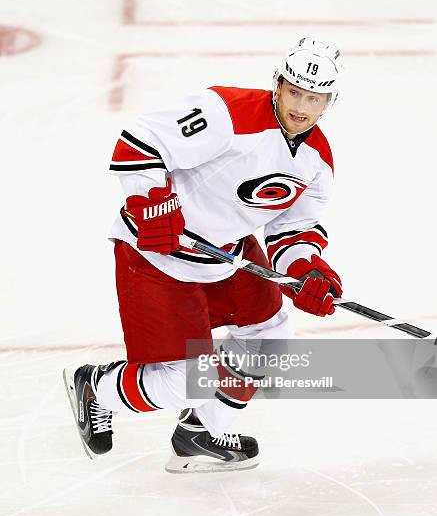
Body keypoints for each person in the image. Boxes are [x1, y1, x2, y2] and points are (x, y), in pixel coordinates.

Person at [64, 37, 343, 473]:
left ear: (329, 102)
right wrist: (153, 198)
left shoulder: (317, 161)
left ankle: (201, 431)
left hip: (225, 253)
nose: (302, 106)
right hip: (156, 252)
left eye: (315, 97)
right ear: (278, 85)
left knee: (270, 340)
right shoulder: (226, 112)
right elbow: (142, 139)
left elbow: (293, 228)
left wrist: (306, 270)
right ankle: (97, 387)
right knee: (188, 383)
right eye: (295, 92)